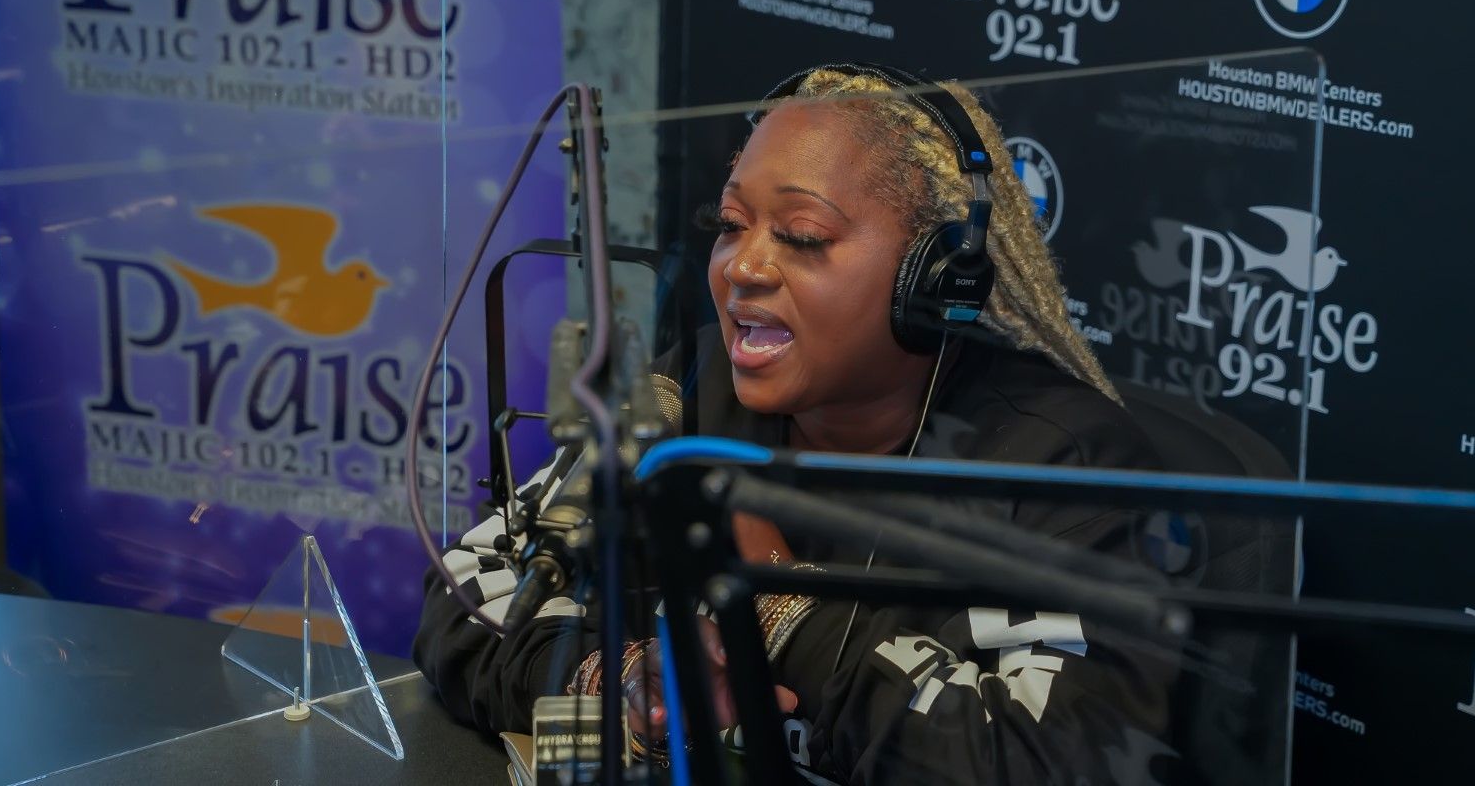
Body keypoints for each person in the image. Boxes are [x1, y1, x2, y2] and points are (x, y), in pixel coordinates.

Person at [413, 64, 1184, 784]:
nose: (742, 267)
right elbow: (469, 596)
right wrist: (616, 678)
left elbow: (1047, 759)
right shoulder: (696, 385)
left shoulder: (1056, 467)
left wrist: (771, 608)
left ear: (936, 276)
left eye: (802, 236)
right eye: (730, 223)